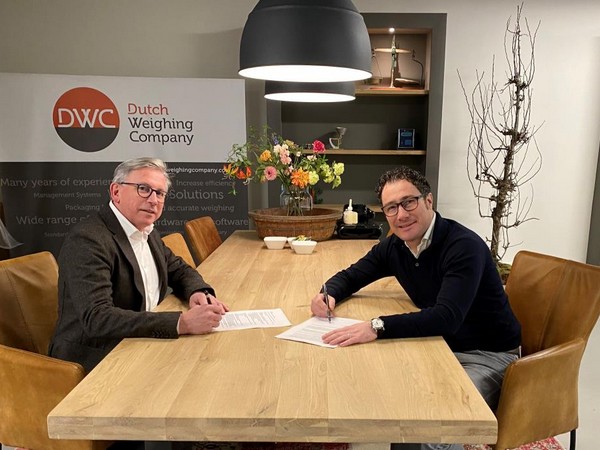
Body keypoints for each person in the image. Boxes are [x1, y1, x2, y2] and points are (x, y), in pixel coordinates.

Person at [310, 166, 521, 450]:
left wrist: (376, 326)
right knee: (385, 390)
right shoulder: (396, 246)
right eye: (391, 208)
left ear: (428, 201)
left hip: (487, 354)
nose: (401, 215)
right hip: (439, 343)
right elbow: (352, 275)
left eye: (408, 202)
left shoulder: (463, 246)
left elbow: (446, 318)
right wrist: (328, 294)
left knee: (437, 421)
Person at [49, 157, 228, 374]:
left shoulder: (146, 231)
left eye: (160, 193)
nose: (153, 200)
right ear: (116, 192)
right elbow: (97, 318)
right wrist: (181, 323)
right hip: (97, 360)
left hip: (141, 343)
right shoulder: (88, 239)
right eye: (144, 189)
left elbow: (179, 269)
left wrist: (197, 291)